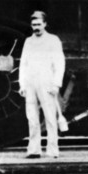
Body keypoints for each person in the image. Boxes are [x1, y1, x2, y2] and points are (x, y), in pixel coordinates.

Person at [19, 11, 66, 159]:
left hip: (47, 81)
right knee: (32, 118)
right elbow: (23, 64)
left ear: (45, 24)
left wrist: (56, 84)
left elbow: (59, 63)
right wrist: (22, 84)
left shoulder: (53, 40)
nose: (36, 27)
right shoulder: (28, 41)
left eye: (39, 24)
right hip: (30, 82)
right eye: (34, 25)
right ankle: (34, 150)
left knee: (50, 117)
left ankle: (52, 150)